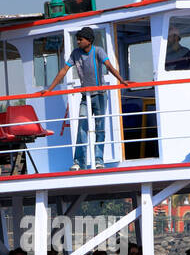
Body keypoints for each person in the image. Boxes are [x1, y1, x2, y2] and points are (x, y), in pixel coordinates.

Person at [40, 27, 130, 170]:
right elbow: (64, 70)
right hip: (85, 97)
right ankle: (79, 162)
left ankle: (99, 160)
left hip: (99, 95)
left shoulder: (98, 51)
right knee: (82, 126)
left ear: (89, 40)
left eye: (80, 39)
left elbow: (109, 66)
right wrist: (50, 89)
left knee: (100, 128)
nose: (78, 42)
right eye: (77, 39)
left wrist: (122, 81)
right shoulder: (75, 53)